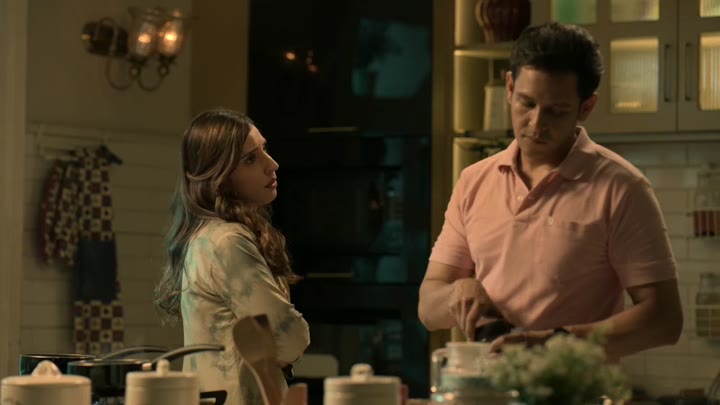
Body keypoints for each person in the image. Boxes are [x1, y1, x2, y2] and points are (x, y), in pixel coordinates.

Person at [418, 22, 683, 361]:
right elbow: (428, 307)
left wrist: (555, 344)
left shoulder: (622, 189)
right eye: (526, 103)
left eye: (556, 111)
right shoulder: (474, 180)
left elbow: (664, 321)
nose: (536, 124)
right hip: (487, 385)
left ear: (586, 107)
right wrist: (459, 292)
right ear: (510, 87)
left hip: (575, 387)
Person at [154, 109, 310, 405]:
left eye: (264, 150)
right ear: (220, 177)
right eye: (250, 159)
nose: (272, 164)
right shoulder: (228, 242)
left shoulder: (203, 236)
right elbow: (288, 337)